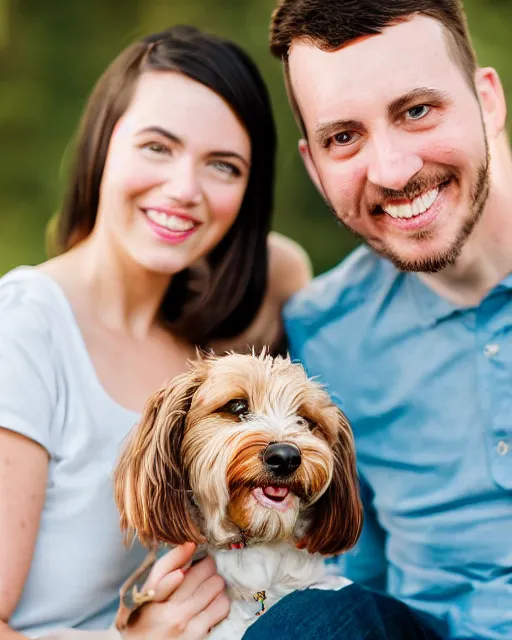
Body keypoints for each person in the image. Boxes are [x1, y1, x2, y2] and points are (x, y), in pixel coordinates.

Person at [0, 25, 313, 640]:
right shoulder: (26, 329)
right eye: (157, 147)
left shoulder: (232, 325)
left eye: (223, 166)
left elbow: (278, 264)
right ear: (101, 145)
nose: (184, 190)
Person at [262, 0, 512, 639]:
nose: (394, 170)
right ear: (314, 167)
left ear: (488, 101)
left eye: (418, 110)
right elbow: (354, 571)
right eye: (343, 137)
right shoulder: (325, 333)